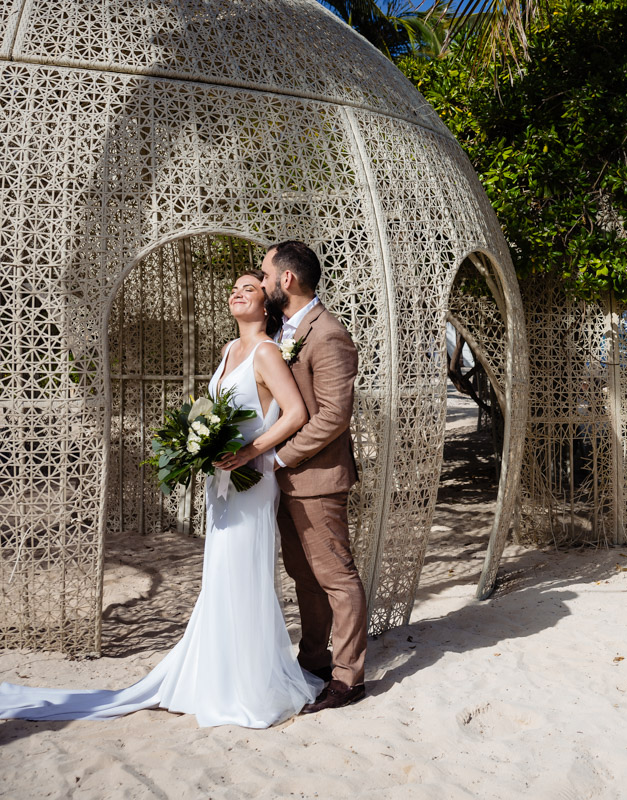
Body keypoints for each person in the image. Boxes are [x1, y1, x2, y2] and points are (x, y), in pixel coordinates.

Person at [0, 271, 322, 728]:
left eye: (248, 287)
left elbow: (296, 413)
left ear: (267, 305)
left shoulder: (267, 352)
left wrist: (250, 450)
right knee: (221, 573)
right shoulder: (231, 350)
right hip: (223, 481)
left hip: (251, 481)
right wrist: (202, 447)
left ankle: (248, 683)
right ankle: (217, 673)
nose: (236, 291)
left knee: (242, 572)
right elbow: (217, 414)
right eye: (233, 287)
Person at [243, 240, 367, 714]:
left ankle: (349, 678)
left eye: (265, 273)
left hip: (316, 477)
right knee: (304, 576)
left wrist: (278, 458)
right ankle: (313, 660)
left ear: (286, 280)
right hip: (287, 481)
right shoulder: (283, 329)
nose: (261, 279)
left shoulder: (328, 332)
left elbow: (334, 416)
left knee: (336, 577)